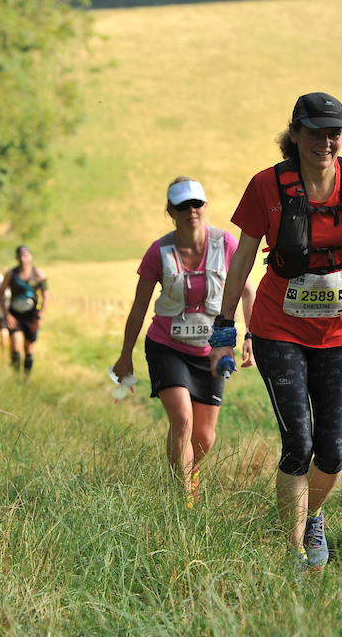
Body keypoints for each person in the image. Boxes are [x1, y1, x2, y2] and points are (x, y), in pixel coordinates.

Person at [208, 93, 342, 571]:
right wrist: (226, 325)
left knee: (333, 453)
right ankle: (293, 554)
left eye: (335, 133)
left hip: (341, 332)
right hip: (277, 329)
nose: (326, 142)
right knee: (299, 445)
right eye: (315, 132)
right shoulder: (266, 185)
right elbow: (243, 257)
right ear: (295, 133)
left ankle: (312, 515)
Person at [112, 177, 256, 508]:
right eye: (182, 206)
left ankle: (190, 473)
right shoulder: (158, 251)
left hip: (213, 351)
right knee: (182, 419)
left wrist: (250, 335)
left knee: (204, 437)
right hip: (167, 346)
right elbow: (138, 308)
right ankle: (184, 502)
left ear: (204, 206)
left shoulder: (226, 243)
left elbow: (248, 291)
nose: (191, 211)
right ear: (170, 211)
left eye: (196, 204)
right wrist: (125, 358)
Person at [0, 246, 49, 379]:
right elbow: (0, 294)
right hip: (15, 316)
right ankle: (16, 378)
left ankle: (26, 378)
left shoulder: (38, 274)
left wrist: (39, 317)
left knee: (29, 348)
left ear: (30, 257)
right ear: (16, 257)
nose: (22, 258)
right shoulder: (11, 274)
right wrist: (6, 314)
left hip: (31, 316)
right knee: (16, 348)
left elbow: (46, 296)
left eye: (25, 255)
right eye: (20, 255)